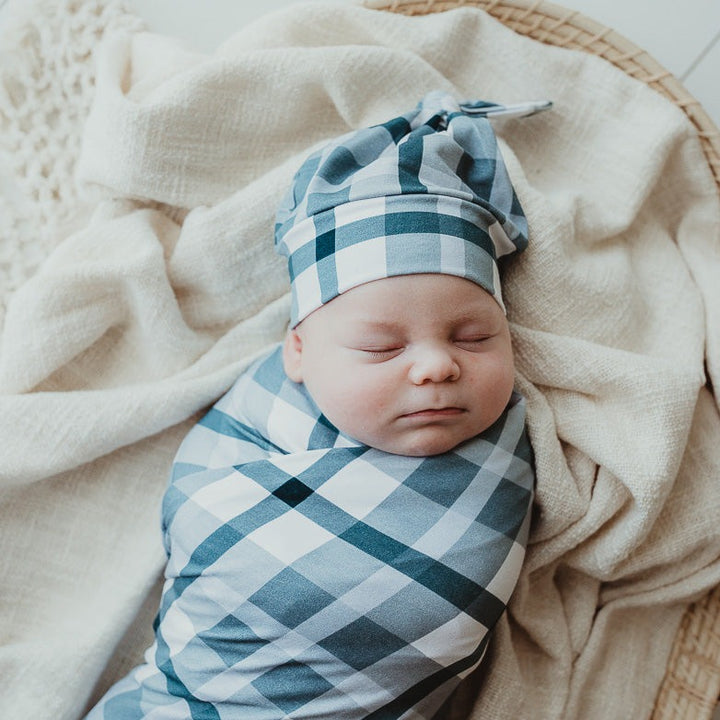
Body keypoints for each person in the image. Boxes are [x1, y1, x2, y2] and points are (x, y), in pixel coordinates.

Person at [85, 91, 540, 720]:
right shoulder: (262, 414)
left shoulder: (515, 444)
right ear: (297, 353)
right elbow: (202, 512)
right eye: (382, 347)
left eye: (475, 337)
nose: (438, 365)